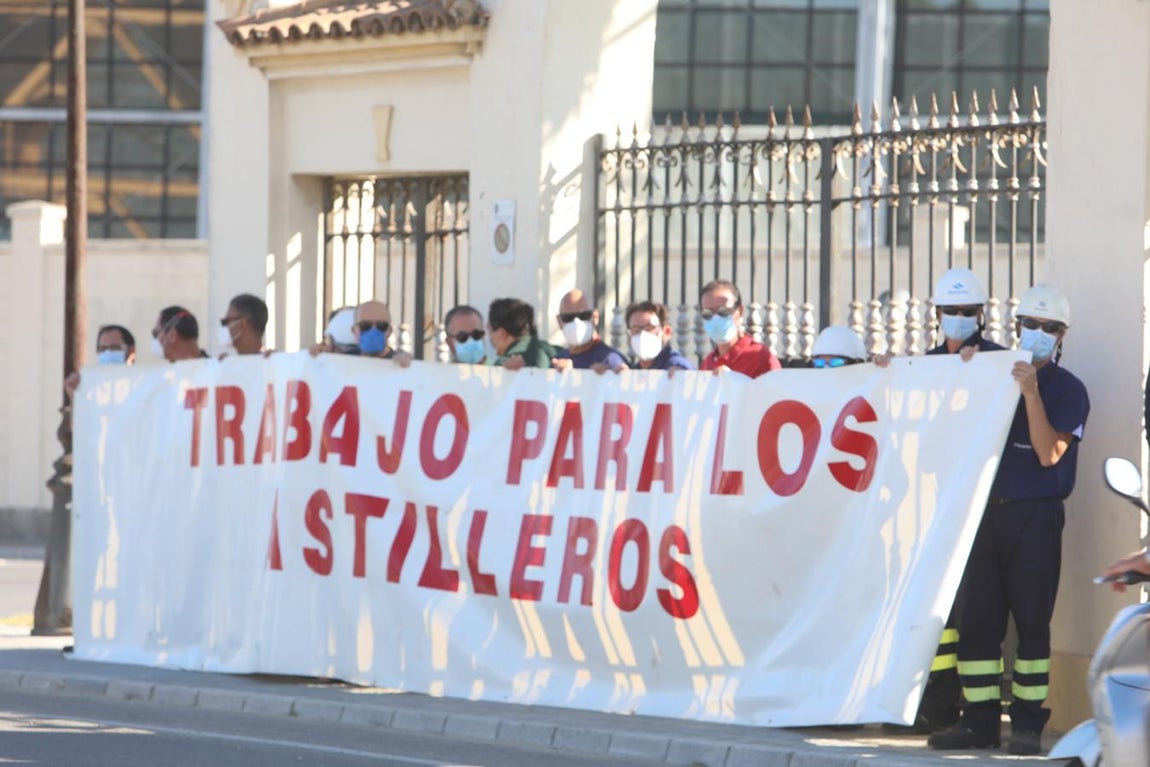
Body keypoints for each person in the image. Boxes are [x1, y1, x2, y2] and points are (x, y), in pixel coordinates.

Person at [930, 283, 1090, 756]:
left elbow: (1048, 453)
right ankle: (978, 722)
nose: (1037, 333)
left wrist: (1031, 393)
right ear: (1017, 326)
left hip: (1035, 517)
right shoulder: (992, 371)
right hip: (983, 514)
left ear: (1062, 335)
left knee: (1032, 623)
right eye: (1030, 324)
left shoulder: (1069, 389)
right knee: (978, 622)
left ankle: (1026, 725)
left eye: (1048, 327)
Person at [698, 279, 781, 377]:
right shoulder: (707, 363)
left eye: (723, 311)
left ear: (739, 312)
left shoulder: (761, 357)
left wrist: (733, 380)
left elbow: (776, 386)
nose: (715, 318)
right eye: (707, 313)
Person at [928, 267, 1003, 356]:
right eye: (951, 311)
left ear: (979, 315)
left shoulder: (998, 356)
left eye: (968, 311)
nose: (959, 317)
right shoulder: (929, 360)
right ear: (938, 314)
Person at [551, 289, 627, 373]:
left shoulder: (611, 359)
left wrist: (608, 374)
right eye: (567, 317)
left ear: (595, 317)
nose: (576, 322)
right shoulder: (557, 361)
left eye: (584, 315)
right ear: (559, 321)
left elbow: (625, 376)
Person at [63, 324, 137, 397]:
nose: (108, 353)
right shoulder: (92, 389)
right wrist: (76, 395)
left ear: (131, 350)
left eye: (114, 347)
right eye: (103, 349)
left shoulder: (139, 384)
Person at [487, 297, 556, 369]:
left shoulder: (505, 365)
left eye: (490, 331)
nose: (490, 337)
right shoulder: (556, 353)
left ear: (502, 333)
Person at [624, 301, 693, 371]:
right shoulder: (635, 370)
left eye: (649, 328)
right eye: (636, 330)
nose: (642, 335)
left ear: (667, 332)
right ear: (629, 336)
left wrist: (679, 375)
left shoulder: (676, 366)